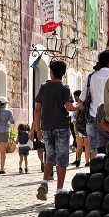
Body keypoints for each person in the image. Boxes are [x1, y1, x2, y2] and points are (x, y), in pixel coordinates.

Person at [33, 60, 76, 200]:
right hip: (61, 127)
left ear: (51, 72)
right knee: (62, 159)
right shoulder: (65, 88)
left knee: (50, 156)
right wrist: (78, 107)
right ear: (63, 74)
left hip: (46, 127)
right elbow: (68, 107)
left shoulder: (43, 87)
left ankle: (44, 183)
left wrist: (37, 128)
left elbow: (37, 109)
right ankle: (59, 191)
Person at [85, 50, 109, 157]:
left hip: (93, 115)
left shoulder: (91, 76)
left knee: (94, 148)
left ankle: (96, 171)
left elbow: (83, 98)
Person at [71, 90, 90, 168]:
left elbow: (74, 120)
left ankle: (78, 160)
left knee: (79, 146)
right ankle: (87, 162)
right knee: (87, 146)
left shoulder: (76, 106)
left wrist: (75, 130)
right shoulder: (88, 105)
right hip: (87, 128)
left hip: (78, 128)